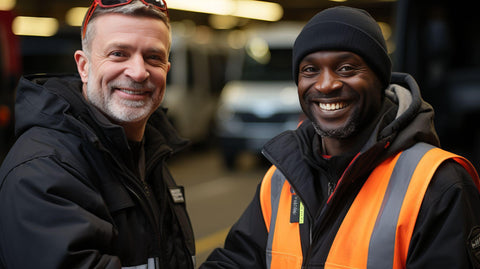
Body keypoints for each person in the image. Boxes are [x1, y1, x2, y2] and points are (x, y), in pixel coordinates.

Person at [200, 6, 480, 269]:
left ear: (380, 79)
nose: (325, 84)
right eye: (310, 70)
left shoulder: (439, 184)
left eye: (346, 68)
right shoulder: (280, 179)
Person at [0, 0, 196, 268]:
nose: (138, 72)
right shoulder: (43, 171)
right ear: (83, 66)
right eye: (118, 53)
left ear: (166, 71)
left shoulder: (147, 154)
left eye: (153, 57)